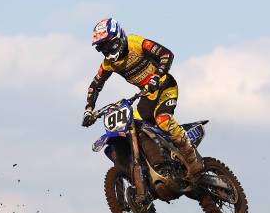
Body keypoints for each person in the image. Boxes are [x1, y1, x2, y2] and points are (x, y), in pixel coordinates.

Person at [81, 18, 203, 179]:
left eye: (109, 44)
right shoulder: (108, 64)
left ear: (119, 37)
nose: (107, 50)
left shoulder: (136, 43)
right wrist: (89, 110)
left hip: (165, 86)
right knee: (134, 127)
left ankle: (192, 157)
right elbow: (95, 85)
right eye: (102, 47)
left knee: (163, 120)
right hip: (147, 95)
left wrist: (157, 76)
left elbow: (166, 54)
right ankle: (154, 168)